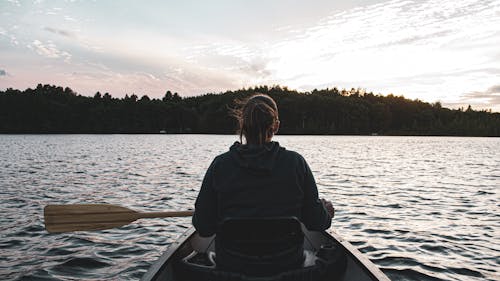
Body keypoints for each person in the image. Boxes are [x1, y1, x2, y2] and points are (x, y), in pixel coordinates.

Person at [192, 93, 335, 237]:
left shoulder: (220, 165)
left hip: (231, 259)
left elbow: (204, 227)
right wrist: (325, 212)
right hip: (287, 259)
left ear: (242, 124)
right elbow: (316, 222)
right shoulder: (296, 163)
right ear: (276, 126)